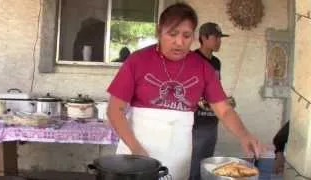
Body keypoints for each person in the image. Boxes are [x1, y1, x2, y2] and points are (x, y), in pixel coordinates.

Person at [107, 3, 262, 180]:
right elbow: (115, 110)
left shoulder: (203, 67)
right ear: (159, 32)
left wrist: (244, 134)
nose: (179, 42)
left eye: (186, 36)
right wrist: (137, 150)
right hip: (137, 149)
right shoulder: (138, 60)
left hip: (178, 153)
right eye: (172, 34)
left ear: (194, 36)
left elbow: (224, 109)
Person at [189, 22, 234, 180]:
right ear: (204, 38)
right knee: (193, 168)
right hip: (195, 124)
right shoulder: (191, 59)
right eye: (216, 38)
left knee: (206, 165)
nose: (219, 42)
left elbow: (215, 90)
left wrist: (226, 101)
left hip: (212, 121)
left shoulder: (216, 63)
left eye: (220, 38)